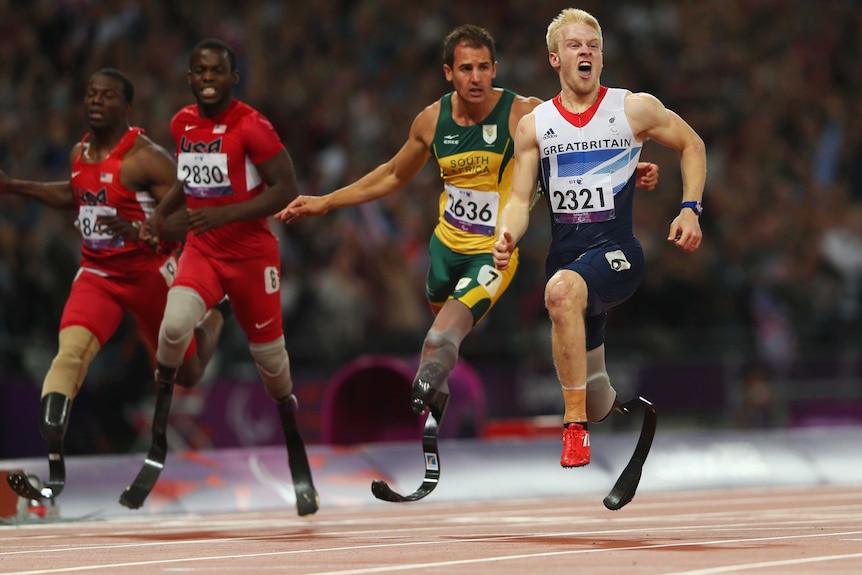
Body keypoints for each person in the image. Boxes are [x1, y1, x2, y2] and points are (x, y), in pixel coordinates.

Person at [275, 24, 659, 427]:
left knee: (440, 340)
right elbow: (391, 174)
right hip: (444, 250)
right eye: (465, 69)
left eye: (482, 68)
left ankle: (429, 409)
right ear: (448, 73)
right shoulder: (431, 121)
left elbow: (582, 141)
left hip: (493, 251)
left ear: (494, 69)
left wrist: (628, 169)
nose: (475, 78)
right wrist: (326, 201)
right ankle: (440, 406)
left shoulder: (521, 113)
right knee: (442, 342)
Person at [493, 8, 706, 468]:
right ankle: (608, 406)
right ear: (555, 59)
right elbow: (518, 197)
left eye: (593, 45)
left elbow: (692, 144)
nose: (585, 51)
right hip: (567, 260)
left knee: (561, 292)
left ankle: (574, 428)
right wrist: (506, 233)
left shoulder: (632, 109)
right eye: (574, 45)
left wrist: (690, 208)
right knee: (590, 383)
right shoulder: (535, 126)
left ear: (602, 57)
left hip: (616, 256)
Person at [0, 68, 226, 499]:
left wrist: (147, 229)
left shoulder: (146, 158)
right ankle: (53, 430)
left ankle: (214, 319)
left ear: (126, 107)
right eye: (90, 94)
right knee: (71, 351)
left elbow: (194, 212)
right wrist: (13, 186)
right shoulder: (79, 152)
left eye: (106, 96)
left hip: (149, 275)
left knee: (187, 374)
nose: (95, 101)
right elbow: (74, 194)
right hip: (98, 273)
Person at [136, 38, 317, 515]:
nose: (208, 78)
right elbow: (187, 178)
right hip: (202, 251)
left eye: (217, 70)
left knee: (272, 368)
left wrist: (226, 214)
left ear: (233, 78)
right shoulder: (182, 123)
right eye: (200, 70)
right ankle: (158, 435)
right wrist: (164, 213)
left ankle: (292, 439)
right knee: (172, 329)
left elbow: (287, 189)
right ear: (190, 78)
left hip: (253, 258)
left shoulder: (252, 126)